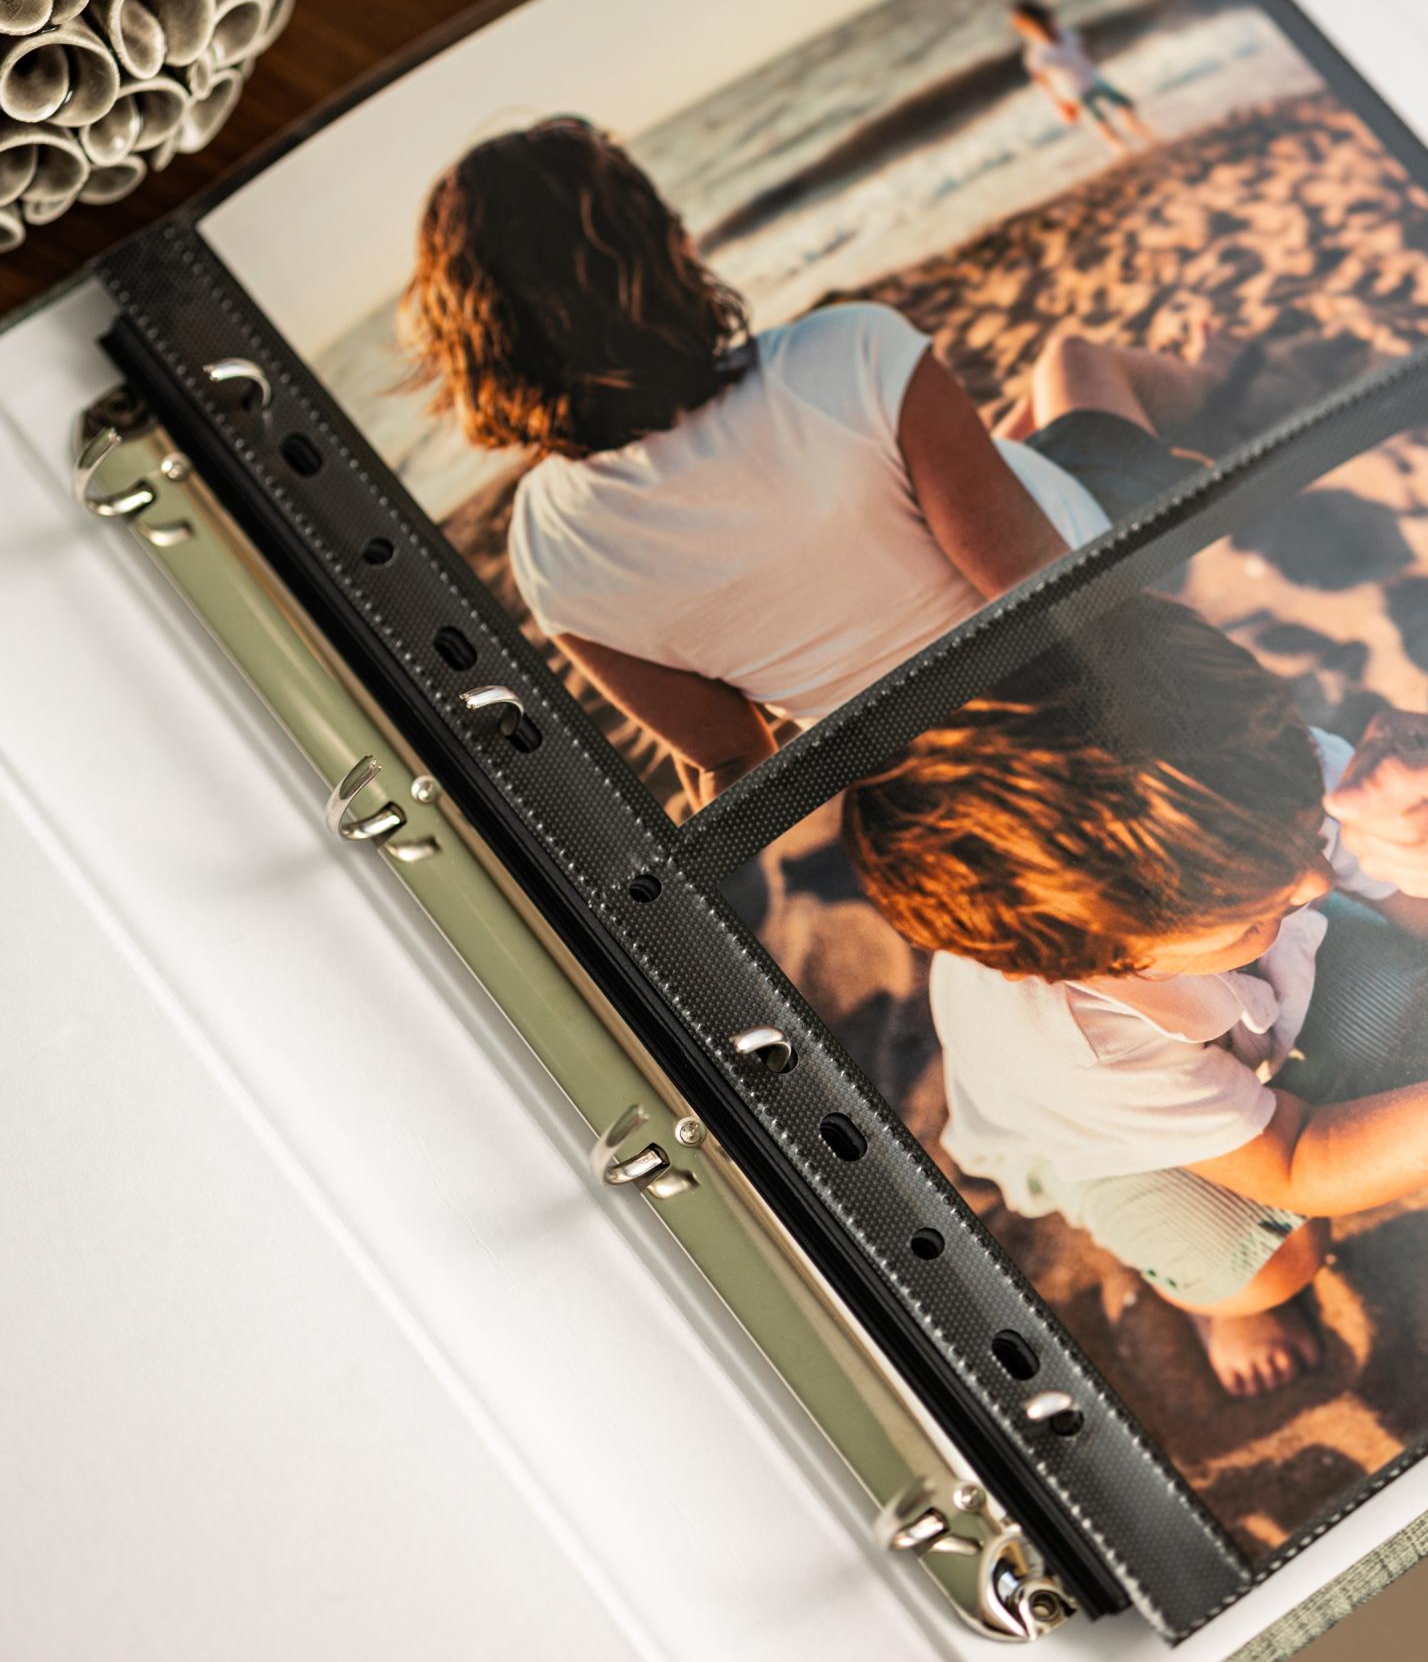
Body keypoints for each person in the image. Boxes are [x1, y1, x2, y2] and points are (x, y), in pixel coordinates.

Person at [406, 118, 1211, 809]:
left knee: (975, 440)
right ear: (657, 250)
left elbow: (730, 762)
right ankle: (1218, 373)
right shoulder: (845, 352)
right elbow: (1048, 589)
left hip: (927, 784)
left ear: (478, 343)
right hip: (1099, 533)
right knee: (1073, 361)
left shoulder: (546, 550)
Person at [843, 593, 1428, 1399]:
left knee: (1405, 1003)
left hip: (1251, 1012)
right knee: (1272, 1262)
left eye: (1303, 836)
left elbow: (1402, 895)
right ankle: (1191, 1293)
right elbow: (1296, 1160)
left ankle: (1287, 1045)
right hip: (1113, 1134)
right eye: (1251, 909)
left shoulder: (1239, 778)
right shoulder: (1072, 1040)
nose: (1317, 878)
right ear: (1106, 961)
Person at [1010, 0, 1153, 153]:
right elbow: (1042, 81)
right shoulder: (1038, 53)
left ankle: (1135, 127)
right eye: (1038, 28)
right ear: (1027, 32)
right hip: (1075, 93)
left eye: (1045, 24)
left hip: (1094, 79)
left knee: (1125, 103)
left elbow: (1084, 48)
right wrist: (1060, 103)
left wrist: (1093, 62)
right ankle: (1120, 148)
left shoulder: (1067, 34)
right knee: (1100, 121)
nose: (1045, 29)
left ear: (1049, 18)